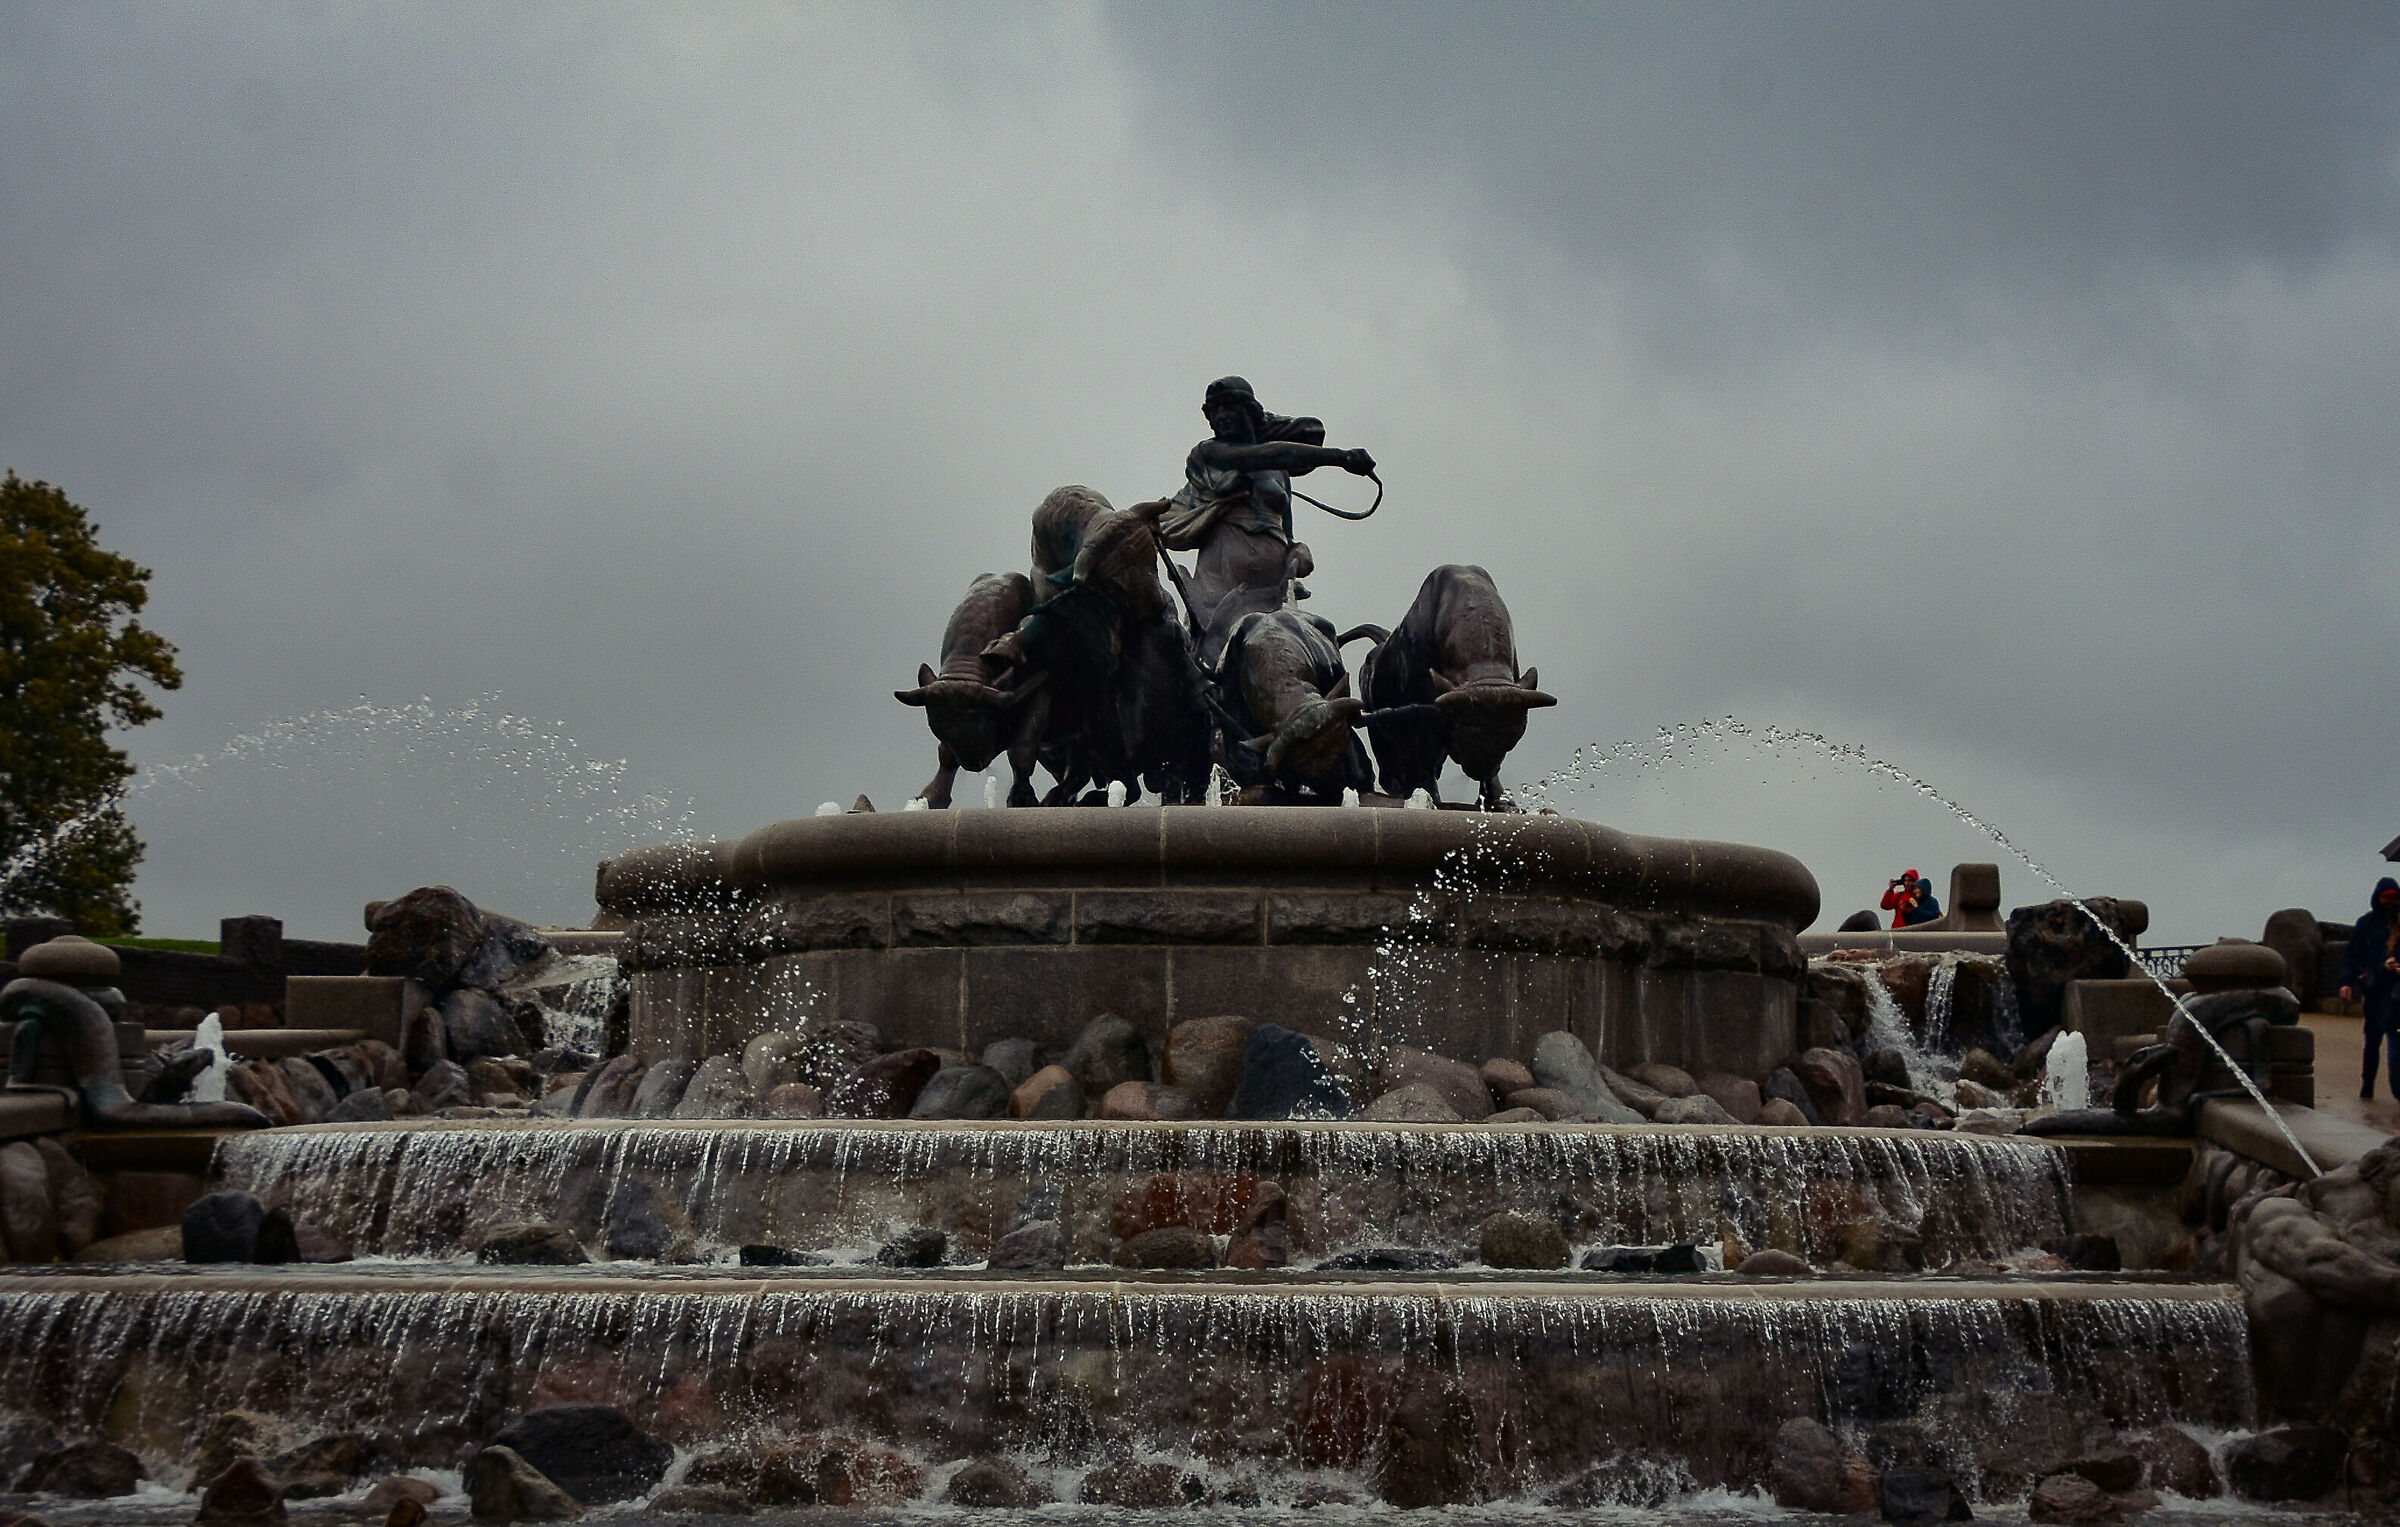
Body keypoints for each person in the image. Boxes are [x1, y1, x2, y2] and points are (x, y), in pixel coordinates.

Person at [1139, 376, 1376, 667]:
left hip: (1273, 586)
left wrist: (1295, 551)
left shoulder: (1278, 473)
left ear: (1250, 411)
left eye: (1229, 408)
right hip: (1223, 583)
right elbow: (1268, 453)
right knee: (1230, 656)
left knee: (1290, 652)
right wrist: (1340, 457)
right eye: (1215, 412)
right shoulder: (1209, 453)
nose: (1221, 418)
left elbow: (1311, 430)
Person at [2340, 877, 2400, 1099]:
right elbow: (2353, 955)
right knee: (2372, 1039)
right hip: (2374, 988)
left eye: (2395, 897)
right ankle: (2368, 1083)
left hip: (2396, 991)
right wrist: (2346, 982)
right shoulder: (2366, 924)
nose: (2391, 902)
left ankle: (2396, 1086)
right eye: (2388, 897)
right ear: (2379, 898)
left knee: (2395, 1040)